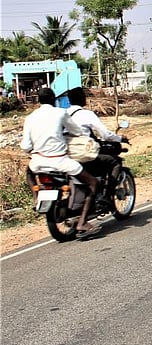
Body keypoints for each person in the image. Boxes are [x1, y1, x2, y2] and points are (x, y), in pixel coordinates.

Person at [20, 87, 101, 237]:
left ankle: (36, 198)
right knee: (93, 183)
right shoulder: (60, 113)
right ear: (53, 100)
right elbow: (78, 132)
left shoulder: (30, 117)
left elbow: (25, 146)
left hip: (38, 162)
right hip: (61, 162)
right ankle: (83, 222)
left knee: (29, 174)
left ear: (39, 101)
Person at [65, 86, 128, 204]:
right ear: (82, 99)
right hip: (83, 154)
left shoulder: (64, 114)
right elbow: (105, 135)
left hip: (67, 155)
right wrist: (120, 138)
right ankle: (107, 196)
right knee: (115, 162)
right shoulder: (86, 114)